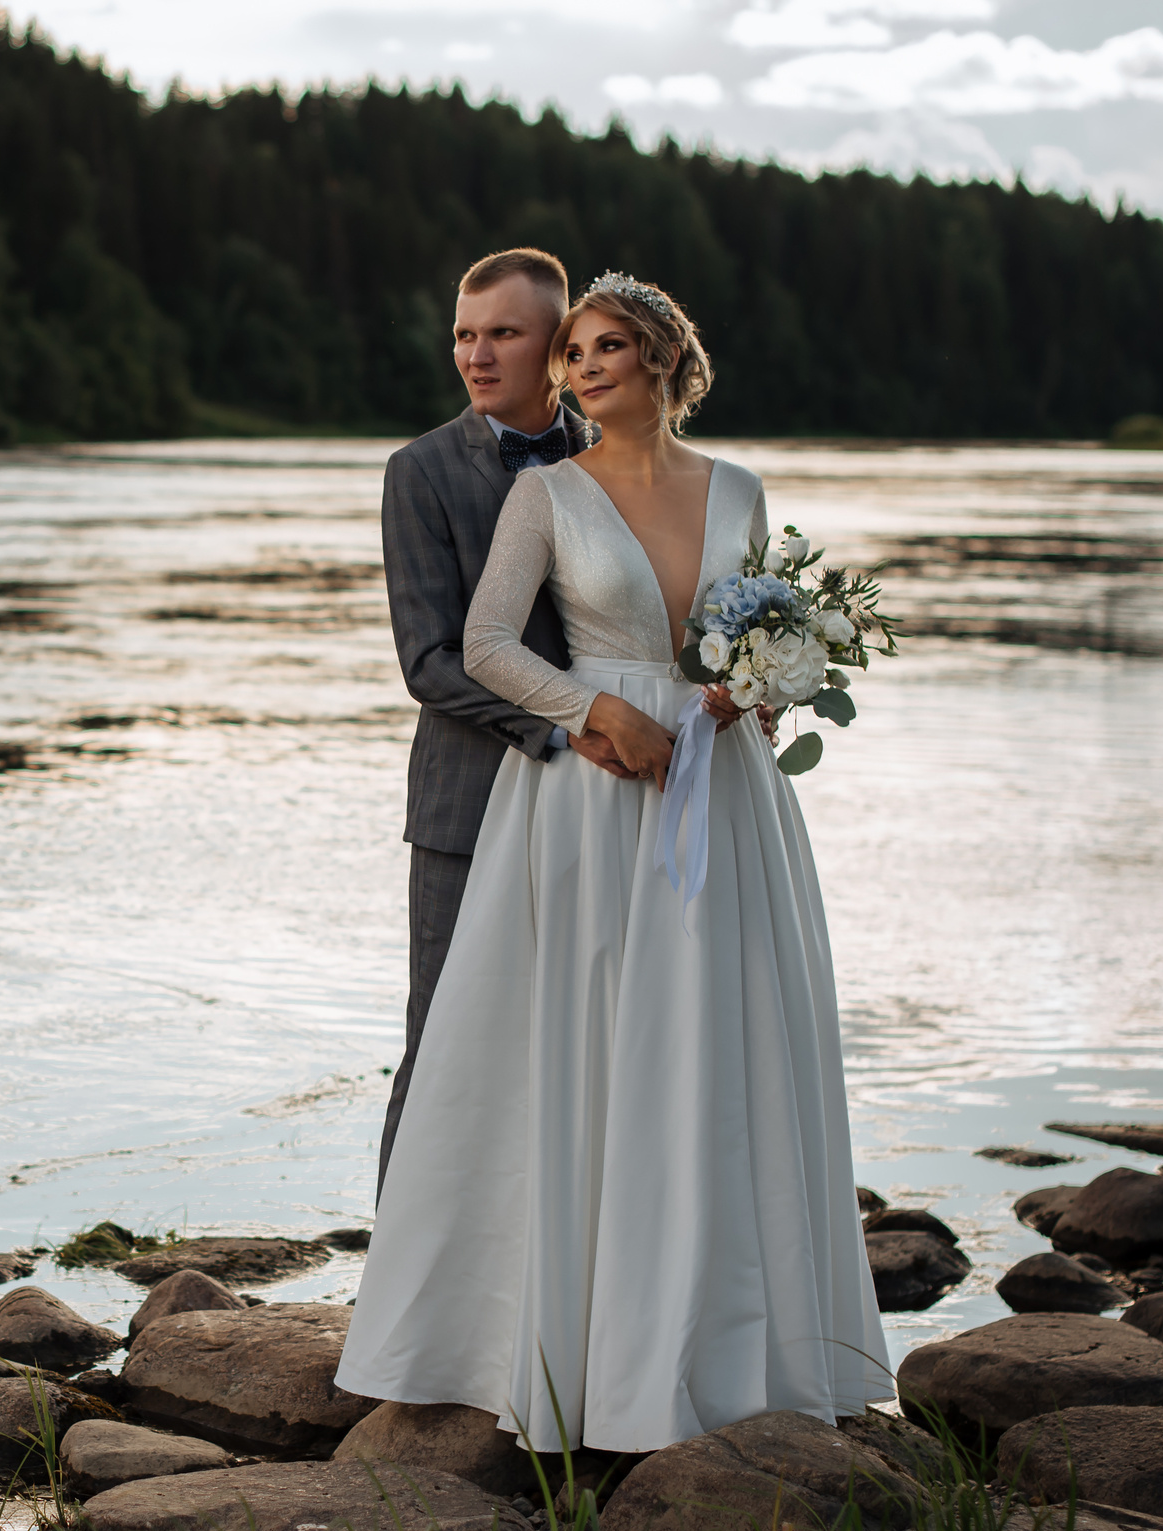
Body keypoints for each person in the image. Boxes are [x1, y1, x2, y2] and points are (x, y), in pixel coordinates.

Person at [337, 270, 891, 1454]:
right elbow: (463, 647)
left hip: (720, 787)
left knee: (719, 1044)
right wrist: (584, 715)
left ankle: (727, 1337)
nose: (576, 366)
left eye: (596, 349)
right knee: (494, 1057)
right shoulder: (519, 488)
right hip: (576, 794)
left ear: (652, 359)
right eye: (567, 351)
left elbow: (753, 628)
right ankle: (469, 1339)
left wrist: (760, 690)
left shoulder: (738, 488)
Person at [375, 248, 637, 1195]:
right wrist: (563, 729)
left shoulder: (617, 456)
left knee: (579, 1037)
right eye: (464, 335)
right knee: (441, 1040)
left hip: (602, 804)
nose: (477, 356)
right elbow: (429, 661)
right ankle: (397, 1299)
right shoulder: (420, 472)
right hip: (468, 806)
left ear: (559, 347)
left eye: (504, 334)